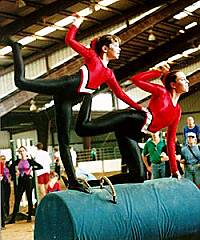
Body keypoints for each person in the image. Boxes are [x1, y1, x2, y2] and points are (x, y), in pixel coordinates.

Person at [2, 14, 142, 193]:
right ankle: (16, 47)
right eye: (117, 46)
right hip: (67, 85)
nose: (120, 50)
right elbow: (69, 40)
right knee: (21, 82)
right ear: (105, 48)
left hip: (68, 100)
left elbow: (120, 93)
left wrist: (139, 107)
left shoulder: (109, 74)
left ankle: (74, 181)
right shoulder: (92, 56)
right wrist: (76, 23)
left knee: (64, 141)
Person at [76, 63, 189, 181]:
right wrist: (156, 72)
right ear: (173, 84)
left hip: (132, 134)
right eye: (183, 79)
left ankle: (92, 183)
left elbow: (170, 141)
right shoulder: (162, 92)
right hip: (129, 118)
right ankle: (87, 92)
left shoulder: (178, 111)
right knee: (83, 129)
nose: (187, 81)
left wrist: (174, 170)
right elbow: (136, 80)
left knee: (138, 176)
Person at [8, 146, 42, 224]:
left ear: (26, 151)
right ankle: (13, 218)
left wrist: (32, 169)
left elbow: (40, 166)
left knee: (29, 197)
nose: (21, 152)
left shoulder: (30, 161)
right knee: (17, 198)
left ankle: (29, 216)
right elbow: (10, 168)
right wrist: (15, 173)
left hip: (28, 180)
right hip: (21, 180)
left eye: (23, 151)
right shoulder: (17, 161)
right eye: (20, 151)